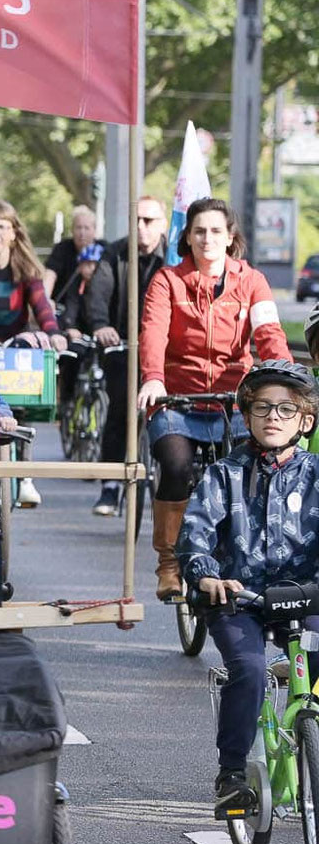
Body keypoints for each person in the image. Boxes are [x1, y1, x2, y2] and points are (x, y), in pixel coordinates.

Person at [178, 360, 319, 818]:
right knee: (249, 668)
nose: (273, 417)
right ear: (247, 415)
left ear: (306, 421)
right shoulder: (225, 474)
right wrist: (206, 574)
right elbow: (195, 532)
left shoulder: (316, 475)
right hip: (240, 599)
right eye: (262, 407)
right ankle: (233, 774)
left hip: (305, 595)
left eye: (286, 409)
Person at [138, 197, 288, 600]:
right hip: (177, 399)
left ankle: (251, 552)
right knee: (175, 464)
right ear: (187, 237)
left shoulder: (251, 281)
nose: (207, 239)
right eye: (199, 231)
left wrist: (285, 378)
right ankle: (169, 562)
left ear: (230, 237)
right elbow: (153, 332)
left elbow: (269, 334)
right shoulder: (167, 281)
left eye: (216, 231)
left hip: (234, 398)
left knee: (257, 469)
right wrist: (153, 378)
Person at [92, 195, 170, 516]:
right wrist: (101, 325)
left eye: (149, 221)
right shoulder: (115, 253)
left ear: (163, 225)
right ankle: (110, 485)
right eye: (136, 220)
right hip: (124, 345)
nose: (140, 227)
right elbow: (99, 292)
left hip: (164, 351)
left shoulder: (175, 257)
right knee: (120, 408)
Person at [0, 202, 66, 350]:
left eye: (1, 227)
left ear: (14, 233)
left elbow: (42, 306)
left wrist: (54, 333)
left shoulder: (26, 270)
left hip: (17, 349)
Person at [52, 238, 116, 418]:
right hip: (81, 335)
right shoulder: (75, 287)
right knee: (72, 358)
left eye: (94, 264)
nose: (91, 269)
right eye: (86, 264)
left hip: (101, 336)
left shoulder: (108, 285)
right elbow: (70, 309)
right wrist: (71, 327)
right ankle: (67, 399)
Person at [44, 204, 101, 299]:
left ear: (94, 230)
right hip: (63, 303)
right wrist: (45, 302)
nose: (82, 233)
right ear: (72, 230)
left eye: (86, 228)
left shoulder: (104, 249)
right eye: (78, 227)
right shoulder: (62, 248)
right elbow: (50, 274)